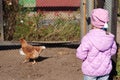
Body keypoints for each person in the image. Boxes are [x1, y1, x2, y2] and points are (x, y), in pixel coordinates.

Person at [76, 8, 117, 80]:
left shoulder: (88, 38)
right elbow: (113, 51)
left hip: (90, 71)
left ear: (93, 22)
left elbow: (80, 54)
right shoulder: (109, 37)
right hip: (105, 70)